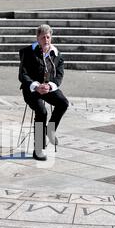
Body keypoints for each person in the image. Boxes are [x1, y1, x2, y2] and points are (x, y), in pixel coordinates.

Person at [19, 24, 69, 161]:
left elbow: (59, 76)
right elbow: (23, 75)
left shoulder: (57, 54)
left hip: (48, 88)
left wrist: (50, 86)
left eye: (48, 37)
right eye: (43, 37)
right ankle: (39, 149)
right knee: (42, 112)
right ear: (38, 38)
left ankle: (50, 130)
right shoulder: (28, 52)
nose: (46, 40)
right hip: (31, 90)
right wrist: (36, 86)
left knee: (63, 103)